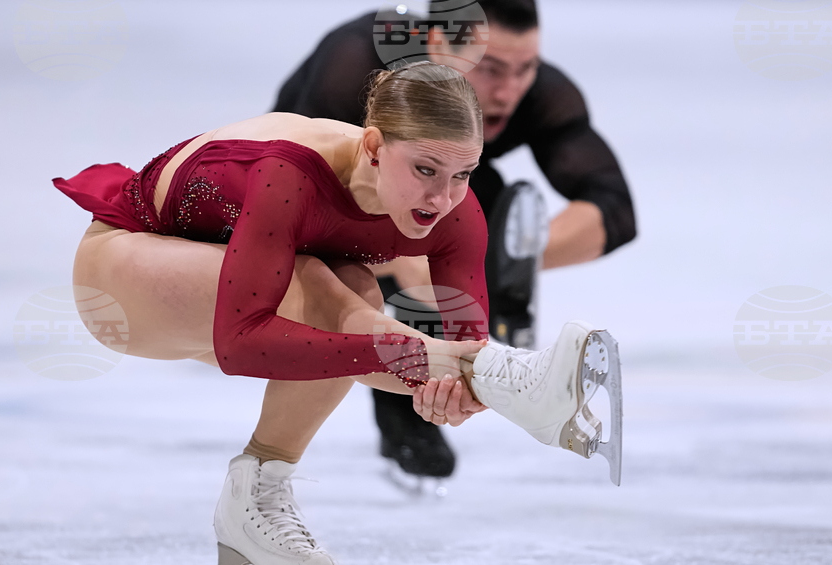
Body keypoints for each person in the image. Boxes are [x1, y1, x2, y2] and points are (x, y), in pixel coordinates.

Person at [54, 62, 620, 565]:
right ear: (373, 147)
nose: (444, 197)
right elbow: (242, 340)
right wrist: (439, 363)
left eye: (463, 174)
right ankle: (525, 391)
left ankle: (259, 487)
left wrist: (457, 386)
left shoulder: (453, 209)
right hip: (122, 274)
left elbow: (457, 359)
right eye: (425, 169)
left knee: (354, 291)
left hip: (229, 281)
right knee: (328, 291)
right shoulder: (290, 174)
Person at [272, 0, 636, 485]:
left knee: (477, 197)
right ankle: (399, 394)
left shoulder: (534, 92)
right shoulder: (361, 62)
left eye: (526, 68)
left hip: (426, 194)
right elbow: (301, 197)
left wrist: (510, 260)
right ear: (438, 46)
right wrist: (410, 262)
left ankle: (440, 346)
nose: (509, 91)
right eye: (490, 69)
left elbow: (614, 209)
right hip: (304, 199)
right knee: (416, 230)